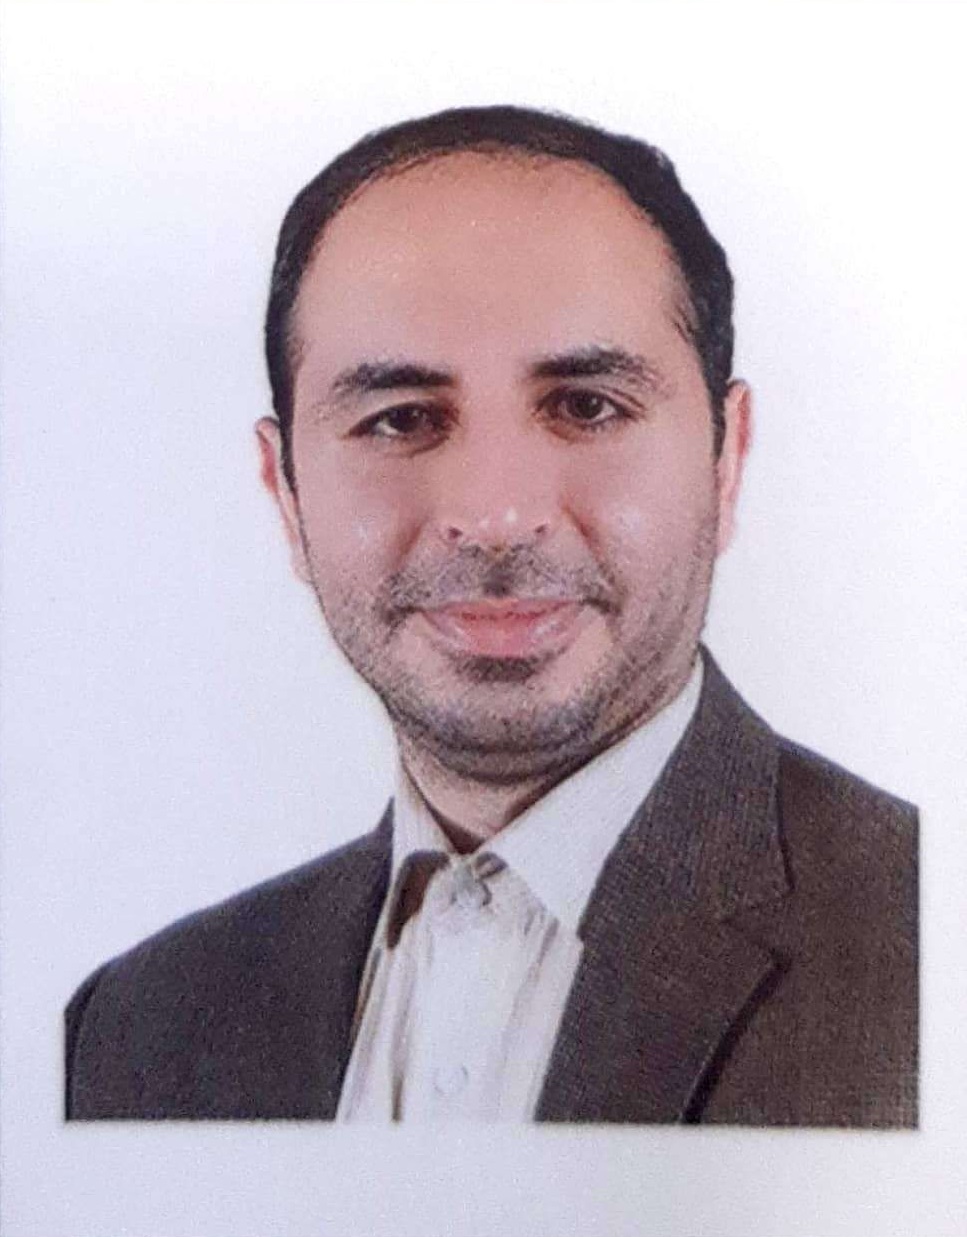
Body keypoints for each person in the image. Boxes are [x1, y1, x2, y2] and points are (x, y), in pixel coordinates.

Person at [64, 105, 917, 1126]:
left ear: (725, 459)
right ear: (284, 492)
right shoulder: (135, 1028)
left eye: (587, 405)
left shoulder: (924, 940)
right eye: (399, 419)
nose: (497, 516)